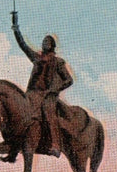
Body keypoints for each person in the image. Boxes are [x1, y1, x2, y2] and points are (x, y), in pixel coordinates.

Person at [9, 11, 75, 159]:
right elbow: (23, 45)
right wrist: (16, 28)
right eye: (44, 41)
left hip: (47, 95)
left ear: (52, 45)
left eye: (48, 42)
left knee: (48, 111)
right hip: (32, 93)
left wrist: (54, 90)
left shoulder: (58, 62)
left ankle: (56, 146)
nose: (44, 43)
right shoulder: (37, 58)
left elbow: (69, 80)